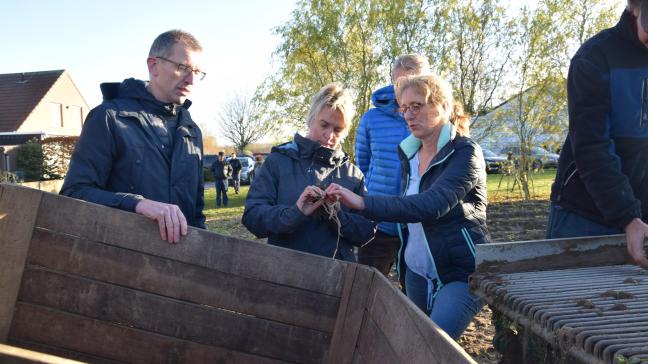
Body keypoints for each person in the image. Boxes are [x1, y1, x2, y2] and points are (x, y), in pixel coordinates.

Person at [326, 74, 488, 339]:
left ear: (443, 106)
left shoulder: (465, 153)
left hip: (459, 272)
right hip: (415, 271)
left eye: (417, 106)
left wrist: (363, 203)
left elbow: (430, 205)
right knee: (412, 344)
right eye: (404, 108)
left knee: (433, 347)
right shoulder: (409, 154)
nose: (408, 115)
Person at [60, 29, 206, 243]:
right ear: (153, 66)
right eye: (183, 68)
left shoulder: (191, 131)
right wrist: (138, 204)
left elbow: (197, 212)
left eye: (197, 71)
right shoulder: (109, 118)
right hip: (120, 261)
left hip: (178, 267)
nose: (191, 80)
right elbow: (74, 194)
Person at [547, 0, 648, 269]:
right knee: (569, 306)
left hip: (643, 218)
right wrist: (628, 216)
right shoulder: (595, 57)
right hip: (584, 216)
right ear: (634, 7)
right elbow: (593, 146)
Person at [242, 83, 375, 261]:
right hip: (284, 273)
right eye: (324, 125)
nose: (329, 135)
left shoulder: (353, 174)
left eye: (338, 130)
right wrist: (296, 212)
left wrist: (337, 216)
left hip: (337, 278)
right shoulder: (278, 162)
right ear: (311, 119)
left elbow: (366, 233)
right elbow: (253, 218)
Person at [354, 54, 431, 276]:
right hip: (379, 223)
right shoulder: (371, 119)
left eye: (415, 81)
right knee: (366, 287)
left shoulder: (434, 120)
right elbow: (363, 163)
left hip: (420, 225)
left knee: (415, 296)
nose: (406, 88)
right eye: (400, 82)